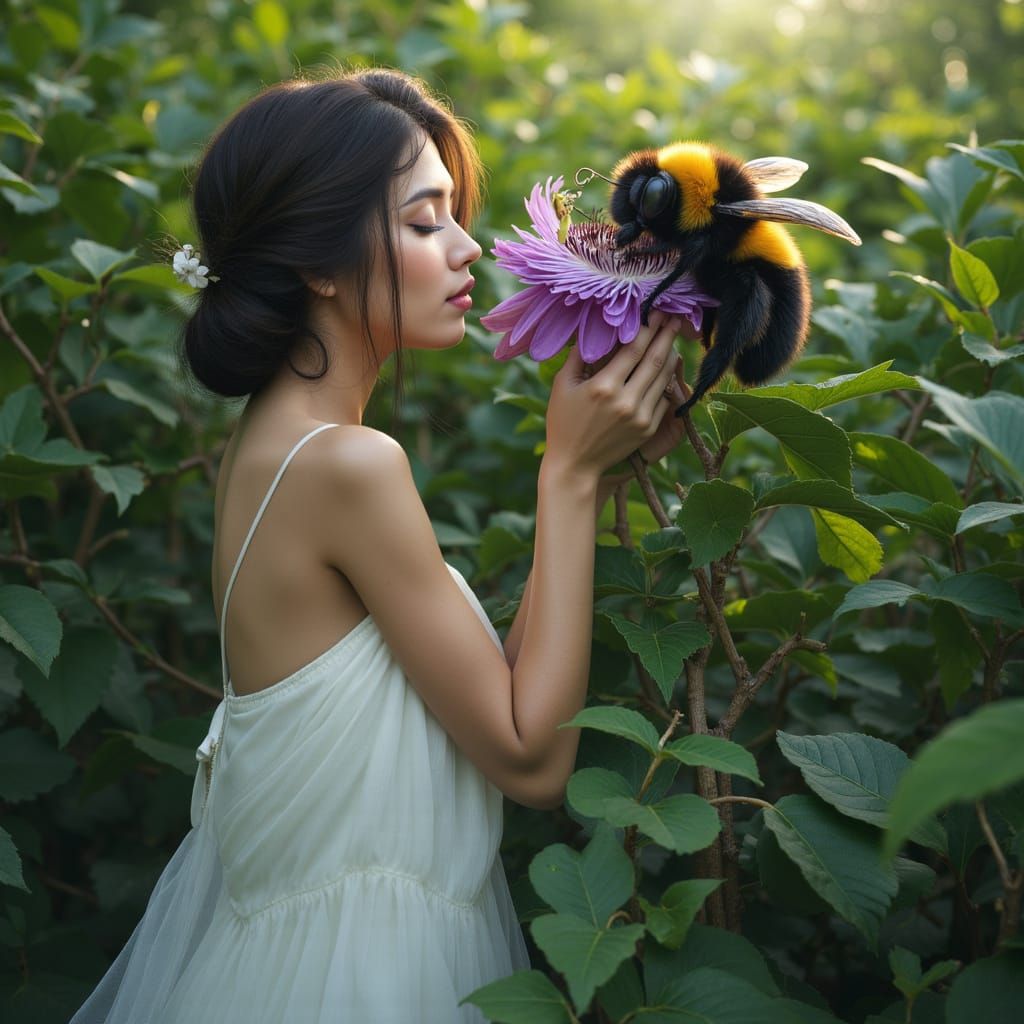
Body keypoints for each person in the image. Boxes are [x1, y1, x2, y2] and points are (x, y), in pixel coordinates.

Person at [70, 66, 687, 1024]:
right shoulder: (346, 466)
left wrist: (591, 463)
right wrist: (566, 477)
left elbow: (496, 693)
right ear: (318, 262)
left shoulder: (274, 444)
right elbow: (530, 759)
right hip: (359, 979)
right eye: (424, 220)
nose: (468, 246)